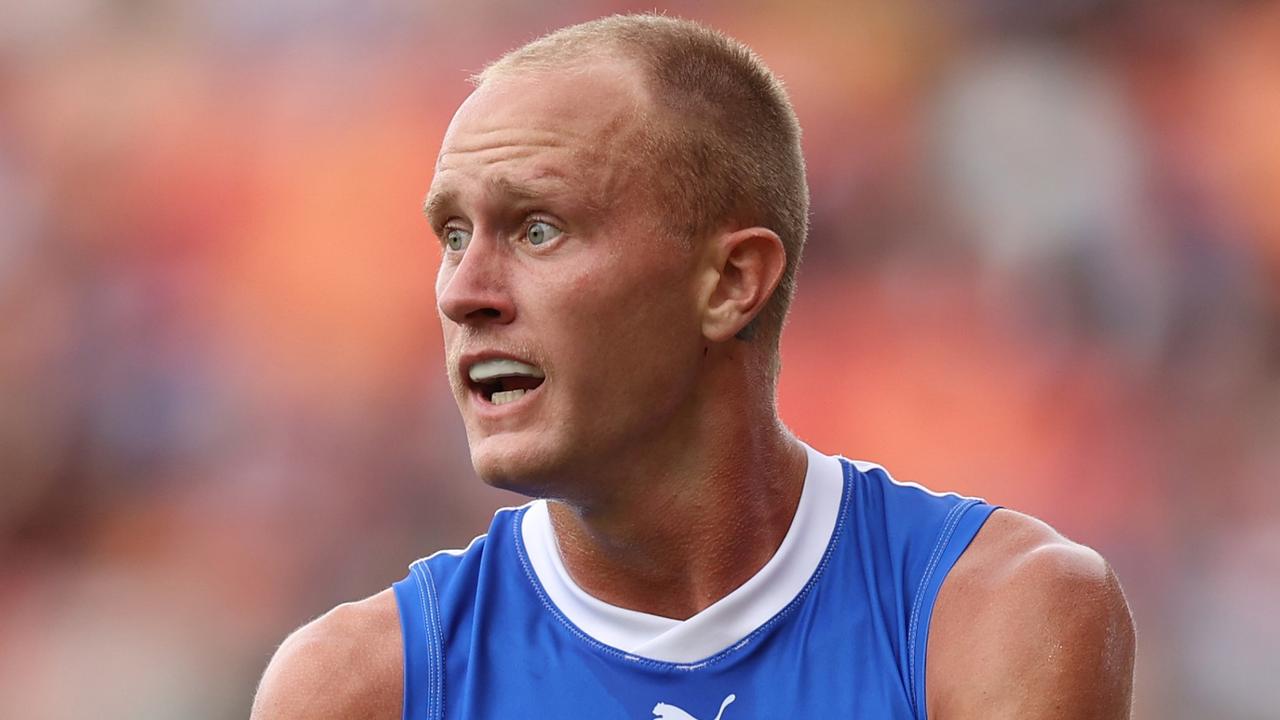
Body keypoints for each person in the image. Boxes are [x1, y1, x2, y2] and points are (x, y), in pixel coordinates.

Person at [251, 14, 1135, 720]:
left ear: (729, 282)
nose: (463, 292)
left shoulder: (993, 618)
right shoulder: (361, 688)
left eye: (537, 229)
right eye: (452, 235)